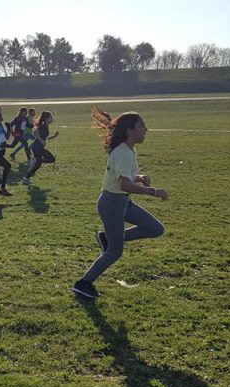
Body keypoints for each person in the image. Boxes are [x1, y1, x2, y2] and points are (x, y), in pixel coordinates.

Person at [72, 108, 168, 299]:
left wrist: (139, 178)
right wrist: (153, 192)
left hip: (121, 201)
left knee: (156, 228)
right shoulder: (123, 153)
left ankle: (108, 238)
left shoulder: (128, 150)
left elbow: (124, 178)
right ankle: (83, 284)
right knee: (115, 252)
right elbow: (124, 184)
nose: (146, 129)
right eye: (142, 125)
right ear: (130, 131)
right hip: (112, 204)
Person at [21, 110, 58, 185]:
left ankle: (26, 179)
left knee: (38, 165)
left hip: (37, 148)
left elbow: (44, 138)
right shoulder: (43, 125)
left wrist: (54, 136)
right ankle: (35, 161)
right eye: (51, 117)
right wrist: (41, 140)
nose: (52, 119)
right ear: (46, 118)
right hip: (37, 148)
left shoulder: (45, 125)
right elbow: (35, 132)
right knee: (51, 159)